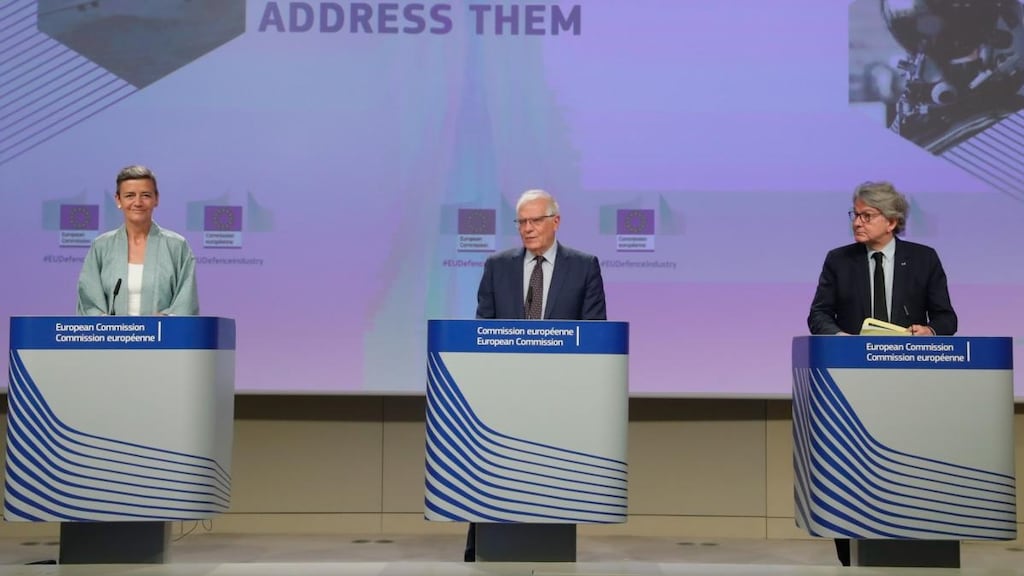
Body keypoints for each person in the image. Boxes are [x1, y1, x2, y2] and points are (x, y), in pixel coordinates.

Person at [807, 181, 957, 566]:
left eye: (866, 216)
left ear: (891, 221)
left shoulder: (923, 259)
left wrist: (929, 331)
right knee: (852, 473)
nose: (857, 222)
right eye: (855, 215)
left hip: (910, 386)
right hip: (853, 386)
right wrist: (842, 339)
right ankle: (850, 556)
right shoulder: (839, 260)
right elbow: (818, 315)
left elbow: (947, 318)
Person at [465, 188, 607, 561]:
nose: (527, 229)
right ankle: (483, 546)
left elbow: (595, 334)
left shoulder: (584, 266)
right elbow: (483, 330)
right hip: (504, 399)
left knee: (549, 481)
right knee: (497, 476)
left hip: (558, 402)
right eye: (521, 222)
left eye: (535, 221)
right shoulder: (497, 266)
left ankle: (548, 546)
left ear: (555, 222)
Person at [77, 165, 199, 316]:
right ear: (118, 200)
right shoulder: (101, 247)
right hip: (112, 332)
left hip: (163, 331)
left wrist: (166, 319)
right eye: (130, 195)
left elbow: (186, 303)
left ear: (156, 199)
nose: (138, 202)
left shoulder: (177, 246)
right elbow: (89, 302)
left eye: (145, 195)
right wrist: (106, 323)